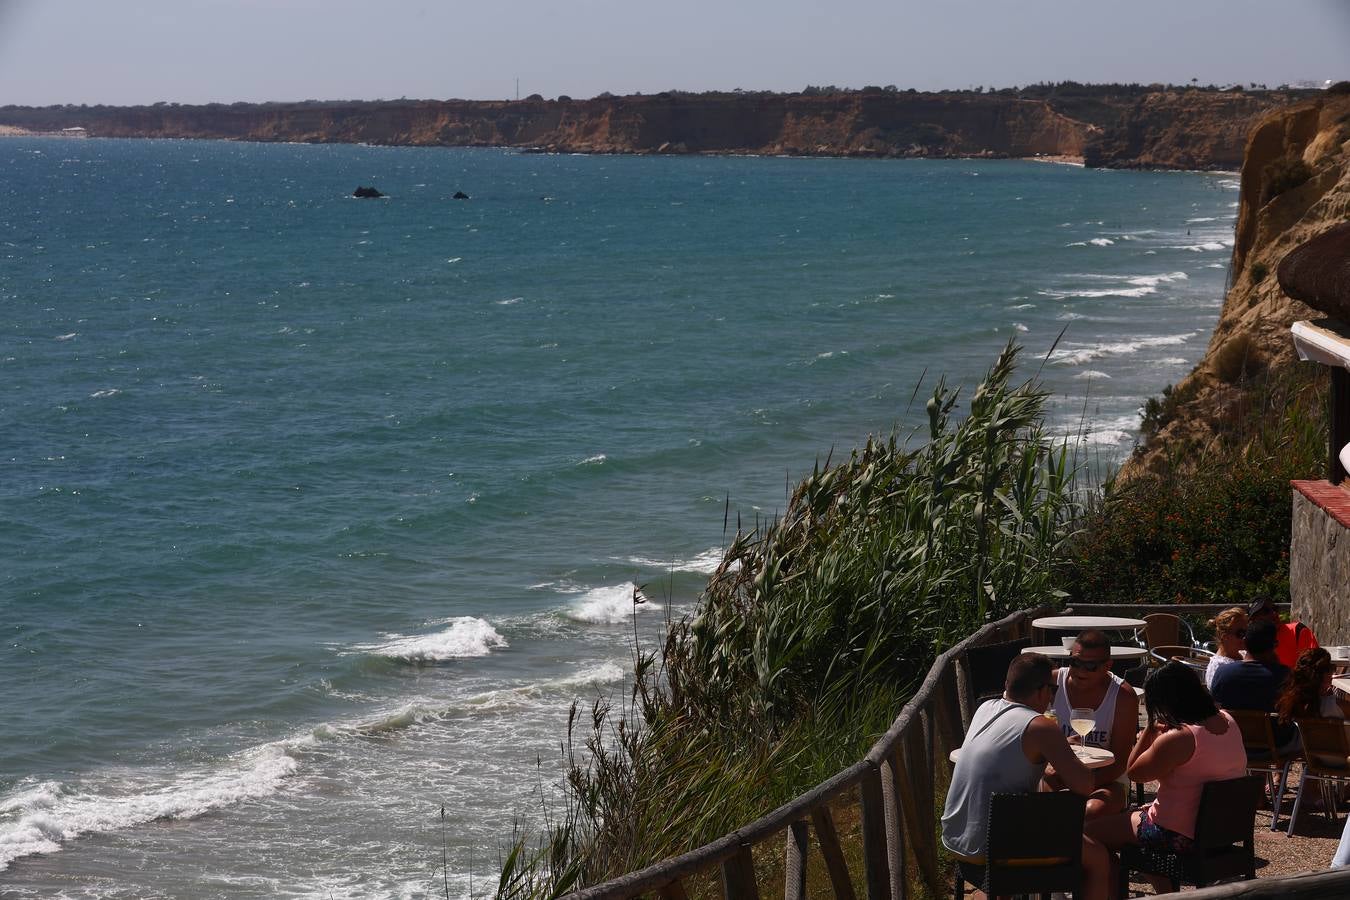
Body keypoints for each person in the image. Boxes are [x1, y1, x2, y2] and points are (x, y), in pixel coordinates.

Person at [941, 652, 1110, 900]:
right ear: (1042, 690)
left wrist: (1056, 745)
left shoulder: (985, 708)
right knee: (1098, 859)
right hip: (993, 847)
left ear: (1008, 684)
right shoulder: (1040, 725)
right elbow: (1084, 785)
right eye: (1052, 690)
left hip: (957, 836)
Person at [1086, 662, 1247, 892]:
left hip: (1178, 832)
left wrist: (1149, 731)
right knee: (1139, 828)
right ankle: (1165, 894)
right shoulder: (1228, 720)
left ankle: (1107, 894)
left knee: (1088, 833)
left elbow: (1133, 772)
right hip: (1221, 830)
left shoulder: (1179, 737)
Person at [1042, 630, 1139, 817]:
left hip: (1107, 779)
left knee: (1091, 812)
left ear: (1108, 665)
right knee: (1043, 803)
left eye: (1090, 666)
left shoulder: (1123, 697)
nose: (1080, 671)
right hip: (1057, 773)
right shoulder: (1051, 684)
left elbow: (1120, 762)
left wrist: (1080, 783)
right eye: (1075, 662)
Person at [1209, 618, 1294, 752]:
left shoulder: (1223, 673)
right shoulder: (1285, 676)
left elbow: (1214, 710)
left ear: (1245, 643)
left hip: (1234, 744)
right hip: (1277, 745)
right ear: (1274, 645)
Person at [1276, 647, 1344, 723]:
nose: (1333, 673)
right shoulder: (1332, 707)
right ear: (1321, 676)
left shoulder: (1290, 704)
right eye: (1330, 668)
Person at [1249, 596, 1319, 669]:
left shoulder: (1298, 631)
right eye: (1266, 611)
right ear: (1253, 620)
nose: (1274, 613)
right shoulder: (1251, 641)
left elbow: (1314, 668)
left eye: (1275, 608)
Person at [1205, 606, 1247, 689]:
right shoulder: (1218, 668)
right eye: (1241, 633)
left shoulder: (1244, 654)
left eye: (1247, 632)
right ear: (1224, 636)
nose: (1245, 637)